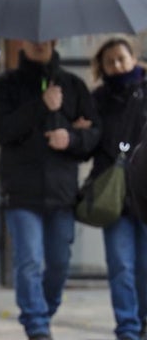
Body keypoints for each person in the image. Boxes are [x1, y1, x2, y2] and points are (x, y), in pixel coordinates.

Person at [0, 38, 100, 340]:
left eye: (44, 39)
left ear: (54, 41)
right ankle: (37, 326)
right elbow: (1, 130)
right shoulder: (6, 84)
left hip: (62, 193)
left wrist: (72, 139)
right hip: (21, 191)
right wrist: (41, 105)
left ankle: (43, 313)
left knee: (59, 264)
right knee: (29, 260)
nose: (38, 44)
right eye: (32, 38)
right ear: (23, 42)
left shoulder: (74, 85)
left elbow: (94, 136)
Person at [87, 37, 147, 340]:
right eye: (109, 61)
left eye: (121, 58)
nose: (117, 65)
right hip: (114, 194)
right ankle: (127, 328)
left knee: (144, 266)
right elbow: (91, 143)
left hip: (145, 187)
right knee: (121, 265)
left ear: (133, 57)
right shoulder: (98, 99)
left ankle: (144, 320)